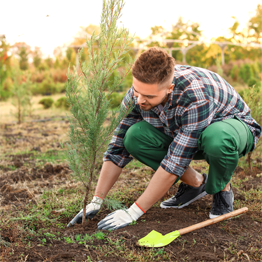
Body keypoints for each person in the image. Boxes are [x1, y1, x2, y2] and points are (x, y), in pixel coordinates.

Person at [67, 47, 261, 230]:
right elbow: (117, 148)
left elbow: (176, 161)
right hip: (187, 133)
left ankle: (222, 189)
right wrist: (96, 200)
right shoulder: (138, 96)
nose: (140, 100)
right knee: (133, 136)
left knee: (216, 139)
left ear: (170, 88)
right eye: (136, 91)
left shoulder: (195, 96)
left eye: (148, 96)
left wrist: (133, 212)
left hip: (232, 128)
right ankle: (196, 185)